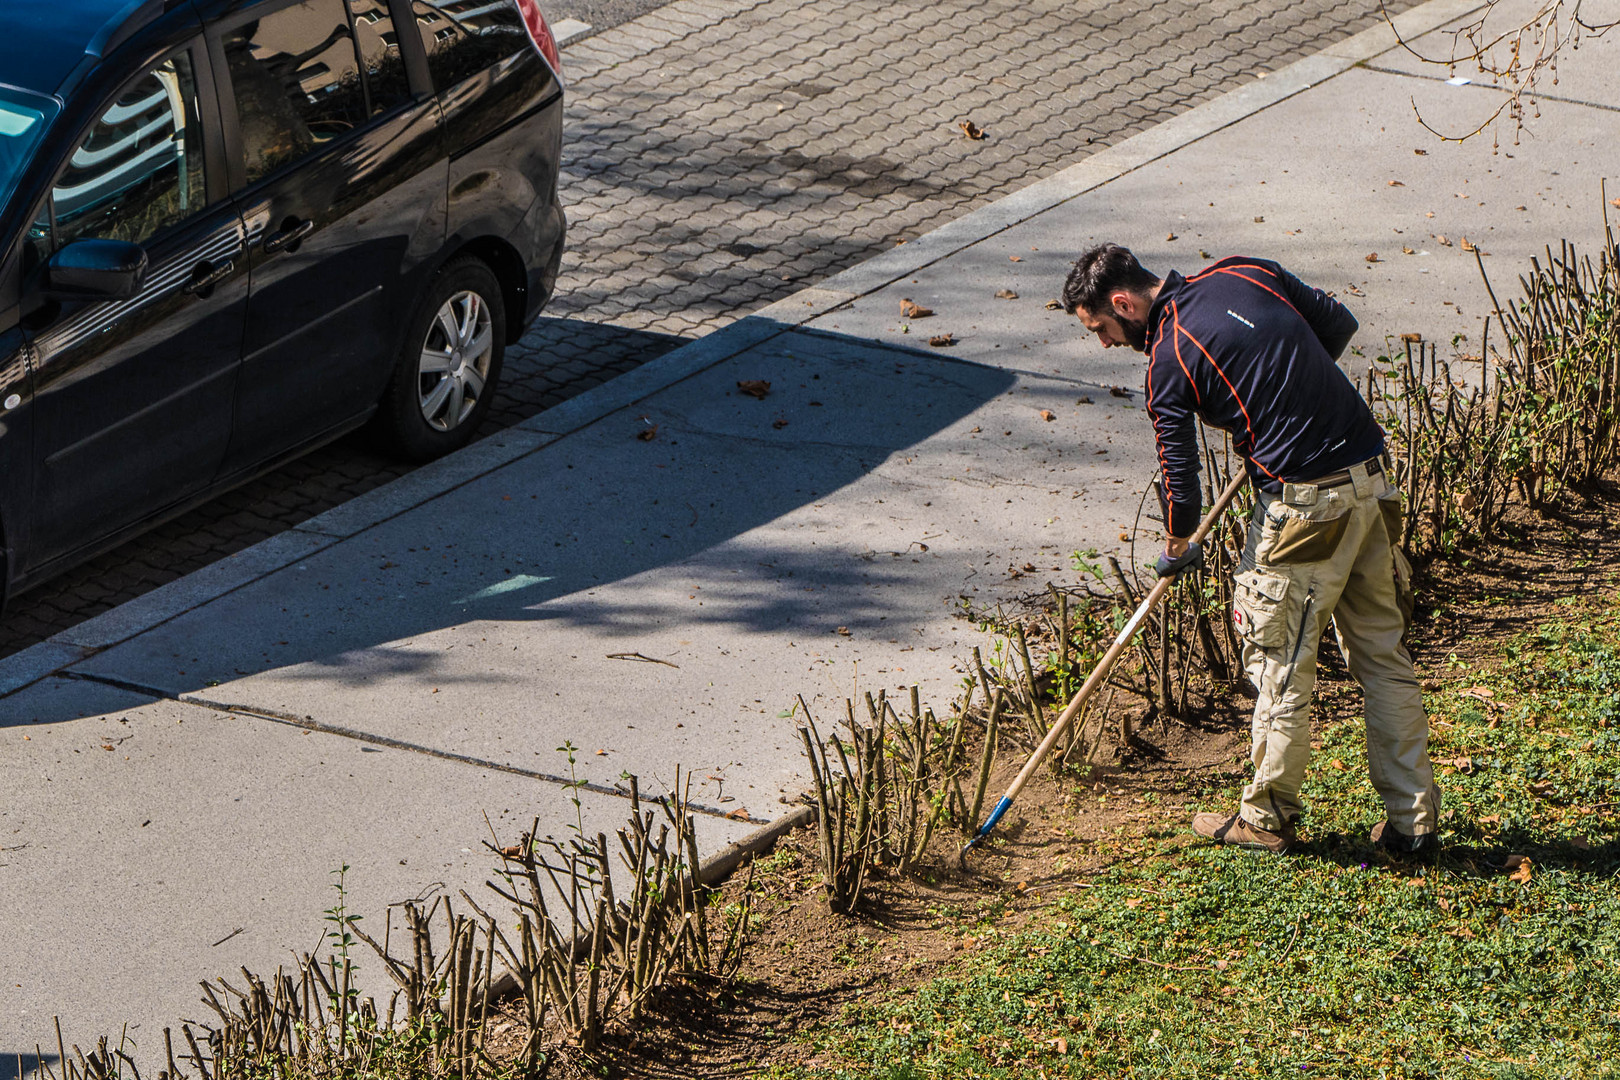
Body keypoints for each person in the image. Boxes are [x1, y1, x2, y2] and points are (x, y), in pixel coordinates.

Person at [1059, 243, 1441, 856]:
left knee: (1281, 663)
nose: (1104, 343)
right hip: (1372, 479)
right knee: (1382, 656)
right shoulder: (1244, 270)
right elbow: (1337, 323)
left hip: (1307, 509)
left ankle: (1266, 821)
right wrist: (1288, 401)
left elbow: (1180, 478)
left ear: (1123, 303)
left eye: (1101, 327)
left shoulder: (1168, 359)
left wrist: (1177, 545)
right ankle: (1413, 825)